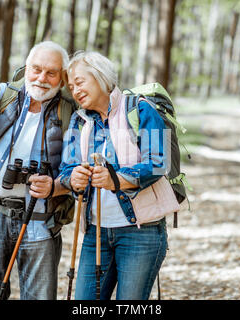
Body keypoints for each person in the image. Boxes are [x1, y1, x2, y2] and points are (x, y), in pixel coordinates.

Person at [54, 51, 179, 300]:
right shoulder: (79, 122)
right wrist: (73, 177)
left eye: (80, 82)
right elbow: (66, 168)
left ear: (101, 77)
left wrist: (117, 179)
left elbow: (158, 162)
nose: (75, 90)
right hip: (96, 232)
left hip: (140, 232)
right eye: (71, 86)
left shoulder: (142, 109)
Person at [0, 41, 77, 300]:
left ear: (63, 78)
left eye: (51, 72)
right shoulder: (6, 94)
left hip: (41, 223)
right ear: (26, 67)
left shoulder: (71, 112)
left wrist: (55, 186)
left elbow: (78, 173)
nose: (41, 78)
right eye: (36, 69)